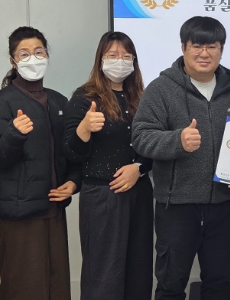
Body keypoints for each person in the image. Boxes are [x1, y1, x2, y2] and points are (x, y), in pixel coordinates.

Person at [131, 16, 230, 300]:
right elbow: (140, 136)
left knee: (219, 282)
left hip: (225, 205)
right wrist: (177, 141)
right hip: (177, 206)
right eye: (197, 46)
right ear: (183, 48)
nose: (204, 53)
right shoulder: (161, 89)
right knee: (171, 286)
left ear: (221, 49)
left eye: (212, 46)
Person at [0, 26, 81, 300]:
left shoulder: (59, 101)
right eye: (24, 54)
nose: (33, 58)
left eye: (39, 52)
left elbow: (71, 151)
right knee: (23, 288)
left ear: (47, 55)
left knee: (56, 287)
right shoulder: (2, 102)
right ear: (13, 61)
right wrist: (14, 134)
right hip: (20, 215)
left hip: (54, 210)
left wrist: (74, 182)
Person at [63, 31, 153, 300]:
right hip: (102, 196)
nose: (120, 61)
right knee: (104, 275)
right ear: (100, 59)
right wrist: (84, 128)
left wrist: (140, 167)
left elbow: (154, 144)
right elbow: (71, 152)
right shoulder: (84, 97)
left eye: (126, 56)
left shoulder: (144, 97)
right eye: (113, 55)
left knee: (138, 270)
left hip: (139, 193)